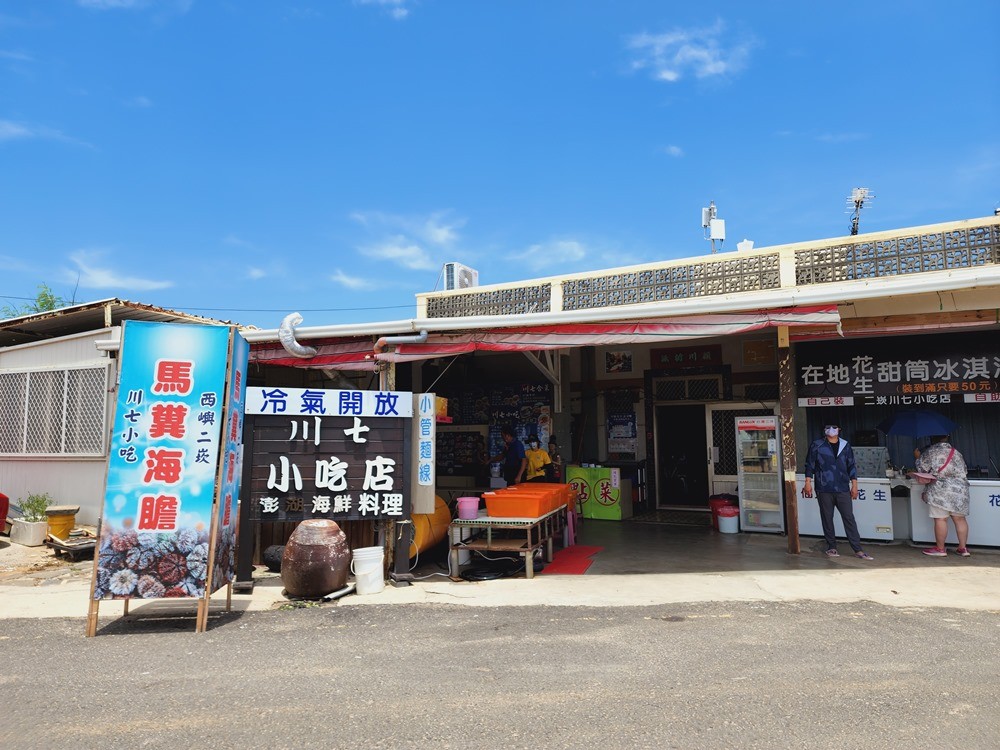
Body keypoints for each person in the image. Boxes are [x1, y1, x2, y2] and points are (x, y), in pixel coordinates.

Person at [802, 423, 874, 560]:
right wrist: (807, 483)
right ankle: (832, 547)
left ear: (839, 430)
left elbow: (851, 465)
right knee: (827, 518)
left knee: (849, 518)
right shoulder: (817, 445)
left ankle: (858, 549)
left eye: (834, 427)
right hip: (823, 488)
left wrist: (854, 485)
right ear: (824, 430)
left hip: (842, 488)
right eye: (828, 427)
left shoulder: (845, 445)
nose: (831, 430)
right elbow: (809, 465)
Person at [915, 435, 971, 557]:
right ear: (946, 438)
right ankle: (963, 548)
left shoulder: (930, 452)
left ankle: (940, 549)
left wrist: (918, 458)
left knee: (941, 519)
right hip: (961, 491)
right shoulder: (956, 452)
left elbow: (922, 470)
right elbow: (964, 470)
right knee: (960, 519)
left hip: (940, 491)